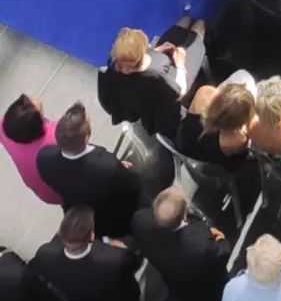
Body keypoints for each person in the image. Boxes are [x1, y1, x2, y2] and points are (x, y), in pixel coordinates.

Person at [132, 185, 229, 301]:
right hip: (207, 289)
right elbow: (222, 252)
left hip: (177, 285)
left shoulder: (139, 221)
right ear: (185, 215)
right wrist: (220, 239)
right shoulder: (200, 241)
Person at [37, 104, 140, 237]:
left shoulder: (44, 158)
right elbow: (133, 187)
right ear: (86, 138)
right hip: (110, 219)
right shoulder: (107, 166)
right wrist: (119, 170)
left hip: (78, 212)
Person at [96, 21, 205, 139]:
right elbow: (180, 92)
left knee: (184, 22)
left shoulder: (112, 70)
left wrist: (156, 51)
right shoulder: (160, 82)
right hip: (164, 113)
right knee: (199, 27)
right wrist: (180, 64)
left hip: (134, 105)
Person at [1, 96, 60, 206]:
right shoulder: (56, 135)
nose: (33, 100)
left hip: (44, 193)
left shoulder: (3, 129)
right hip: (61, 193)